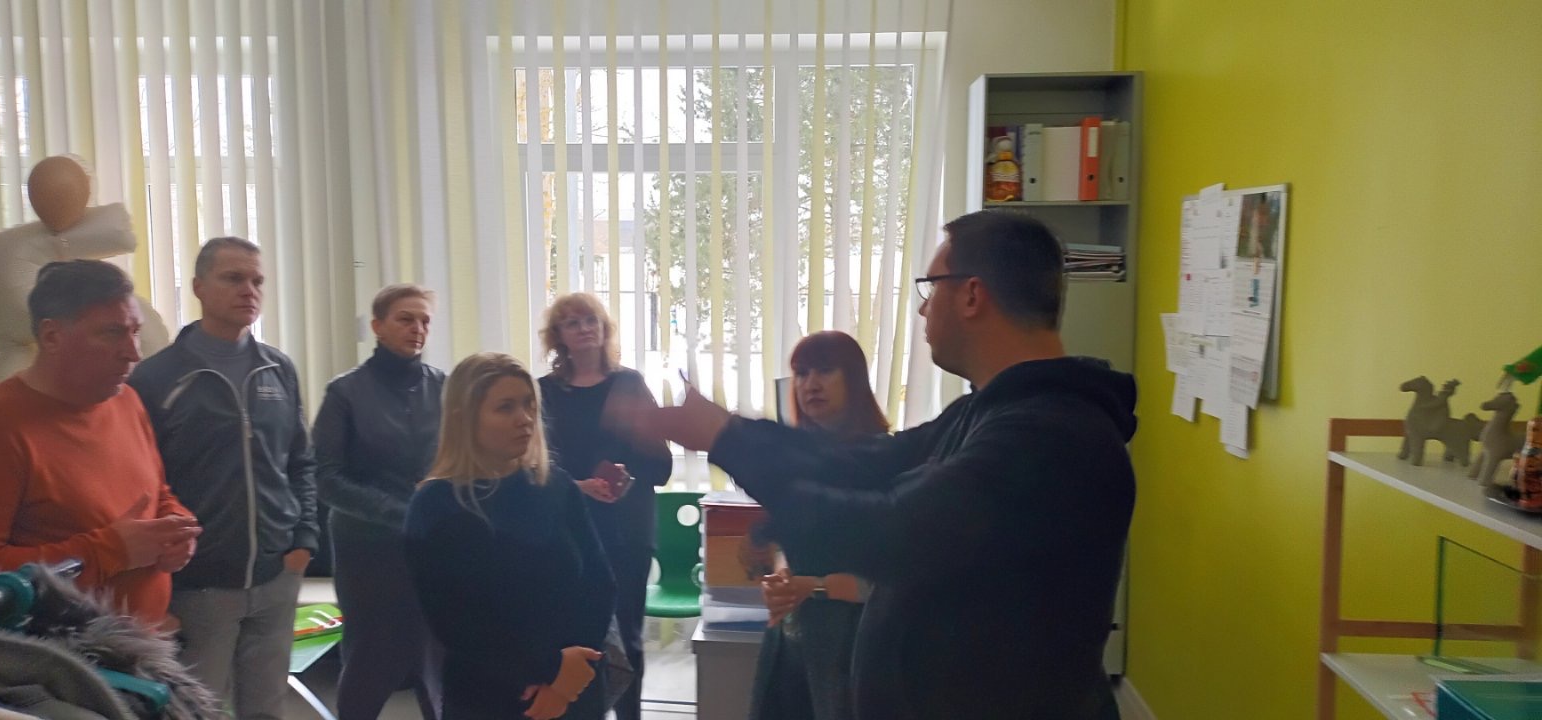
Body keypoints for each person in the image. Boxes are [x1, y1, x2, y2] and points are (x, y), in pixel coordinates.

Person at [610, 211, 1138, 719]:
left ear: (972, 295)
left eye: (931, 288)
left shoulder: (1048, 434)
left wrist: (727, 440)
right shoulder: (987, 411)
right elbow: (863, 463)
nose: (924, 310)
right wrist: (727, 433)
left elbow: (887, 529)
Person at [0, 260, 200, 627]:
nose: (133, 352)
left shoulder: (126, 400)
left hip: (142, 643)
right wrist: (110, 551)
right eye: (111, 333)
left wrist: (175, 527)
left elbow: (154, 493)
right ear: (51, 337)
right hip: (60, 654)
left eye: (135, 331)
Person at [128, 237, 318, 719]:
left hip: (277, 574)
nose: (248, 290)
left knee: (266, 708)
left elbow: (300, 461)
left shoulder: (278, 368)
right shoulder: (155, 378)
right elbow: (139, 485)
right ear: (198, 287)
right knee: (197, 710)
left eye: (257, 281)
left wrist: (303, 540)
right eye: (233, 278)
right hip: (200, 586)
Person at [404, 353, 615, 720]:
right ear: (465, 418)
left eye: (529, 405)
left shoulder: (556, 486)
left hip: (576, 685)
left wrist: (567, 680)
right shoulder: (436, 506)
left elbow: (599, 583)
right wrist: (549, 670)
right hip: (491, 694)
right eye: (505, 408)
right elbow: (455, 622)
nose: (525, 418)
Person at [537, 292, 672, 720]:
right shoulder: (543, 392)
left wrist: (628, 472)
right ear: (558, 336)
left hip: (627, 528)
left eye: (591, 320)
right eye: (572, 323)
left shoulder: (629, 384)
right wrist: (577, 486)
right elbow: (536, 467)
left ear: (604, 328)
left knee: (628, 634)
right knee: (578, 634)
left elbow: (662, 465)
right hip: (570, 528)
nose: (584, 329)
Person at [314, 283, 445, 719]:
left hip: (431, 545)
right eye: (406, 319)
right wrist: (400, 513)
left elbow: (459, 460)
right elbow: (326, 478)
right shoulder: (344, 392)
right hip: (366, 549)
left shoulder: (444, 388)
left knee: (436, 657)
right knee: (370, 659)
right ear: (377, 326)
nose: (417, 328)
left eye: (424, 321)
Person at [749, 331, 889, 720]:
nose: (810, 384)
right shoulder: (793, 459)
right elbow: (784, 540)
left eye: (824, 371)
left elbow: (893, 577)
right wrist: (781, 575)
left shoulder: (887, 458)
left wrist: (815, 586)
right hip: (792, 639)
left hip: (854, 645)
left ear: (854, 378)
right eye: (801, 373)